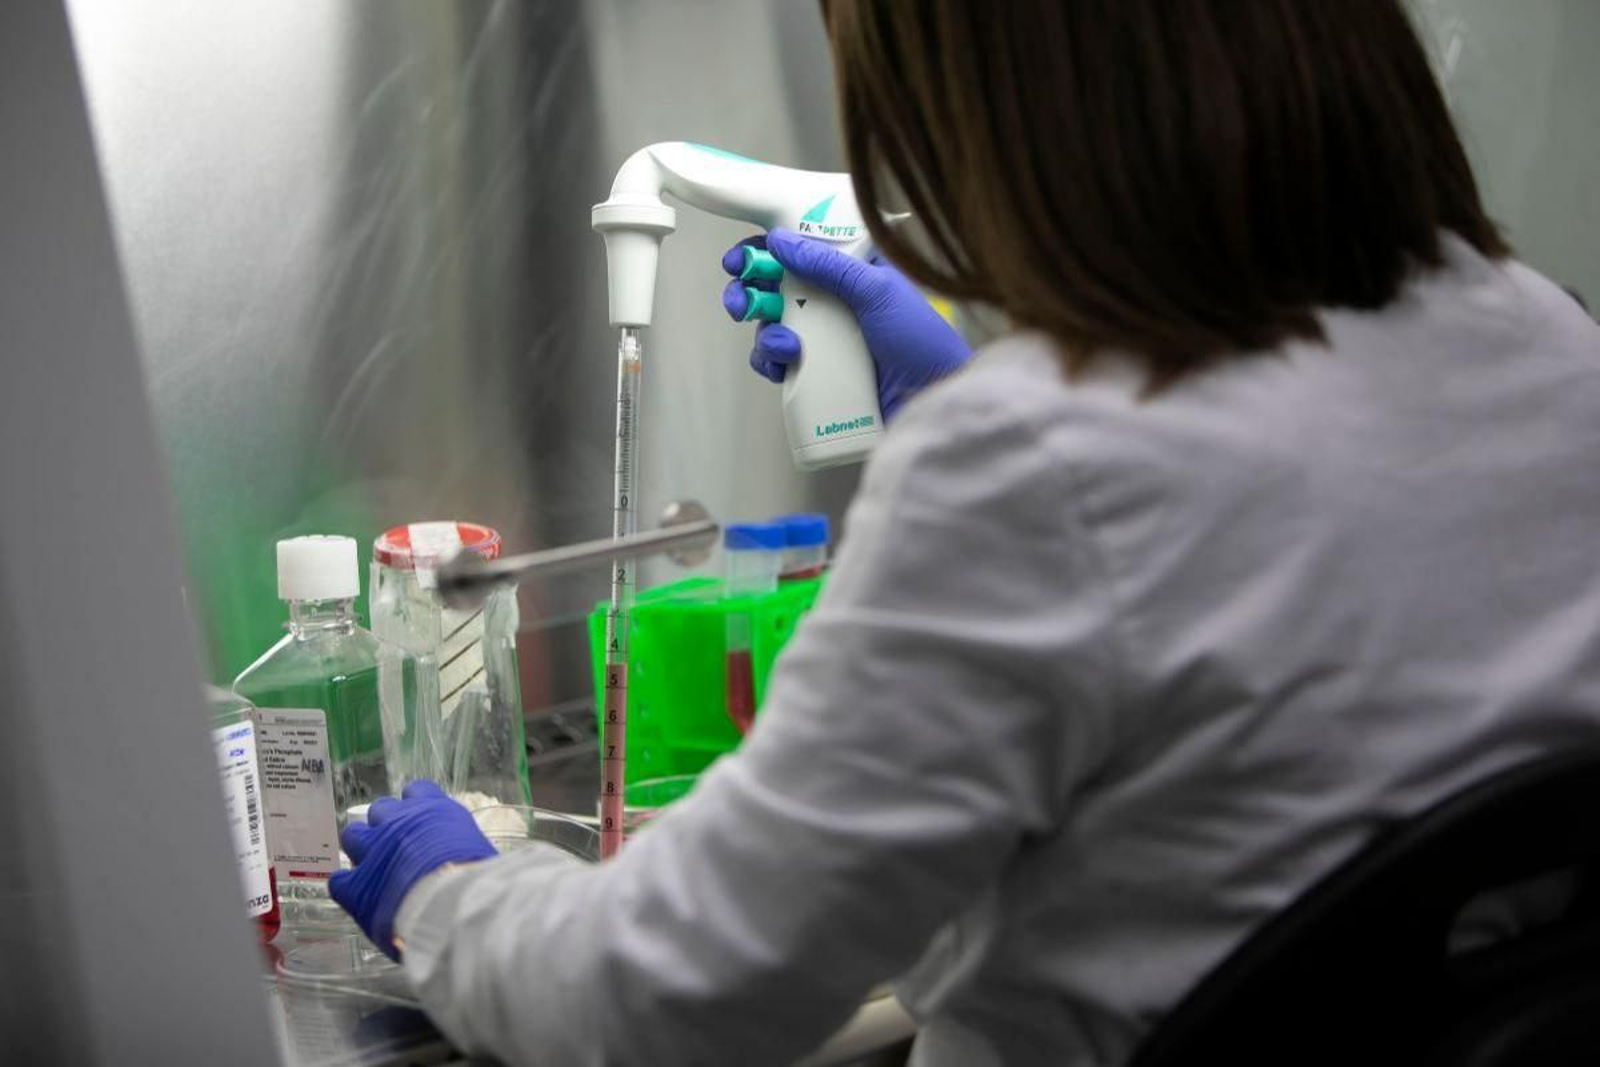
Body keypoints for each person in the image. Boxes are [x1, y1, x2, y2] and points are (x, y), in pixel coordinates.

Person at [329, 1, 1600, 1063]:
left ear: (980, 110)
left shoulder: (1037, 462)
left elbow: (657, 997)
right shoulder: (1550, 344)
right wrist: (969, 405)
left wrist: (446, 888)